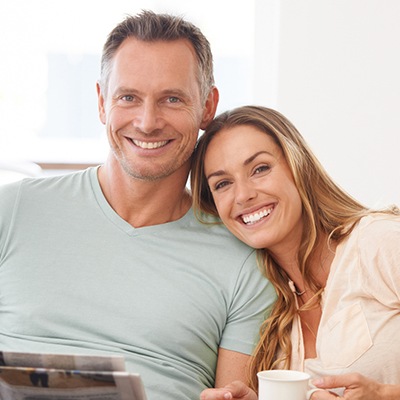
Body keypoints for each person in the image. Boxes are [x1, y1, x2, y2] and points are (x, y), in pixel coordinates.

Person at [0, 13, 276, 400]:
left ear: (207, 106)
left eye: (172, 99)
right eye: (128, 97)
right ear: (101, 102)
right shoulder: (12, 211)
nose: (147, 123)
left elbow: (233, 392)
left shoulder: (244, 260)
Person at [191, 105, 400, 400]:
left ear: (297, 164)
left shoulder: (377, 242)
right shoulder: (268, 313)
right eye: (223, 184)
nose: (243, 195)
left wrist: (386, 395)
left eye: (260, 169)